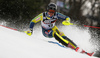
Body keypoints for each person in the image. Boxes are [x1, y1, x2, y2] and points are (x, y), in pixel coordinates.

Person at [25, 3, 94, 56]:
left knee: (62, 35)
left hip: (53, 28)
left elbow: (67, 17)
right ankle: (69, 45)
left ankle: (76, 47)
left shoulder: (56, 15)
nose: (51, 13)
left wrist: (67, 21)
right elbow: (33, 21)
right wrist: (31, 30)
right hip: (45, 31)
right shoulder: (42, 15)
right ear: (47, 10)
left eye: (53, 11)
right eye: (50, 11)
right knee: (54, 34)